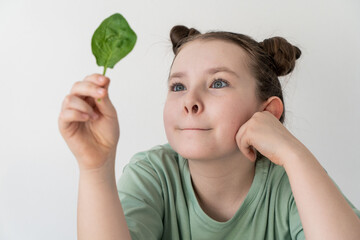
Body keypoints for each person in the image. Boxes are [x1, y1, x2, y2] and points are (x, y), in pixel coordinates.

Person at [58, 25, 360, 240]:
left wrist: (292, 153)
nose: (189, 101)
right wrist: (95, 167)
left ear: (267, 113)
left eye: (217, 83)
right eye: (178, 86)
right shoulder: (153, 174)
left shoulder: (293, 182)